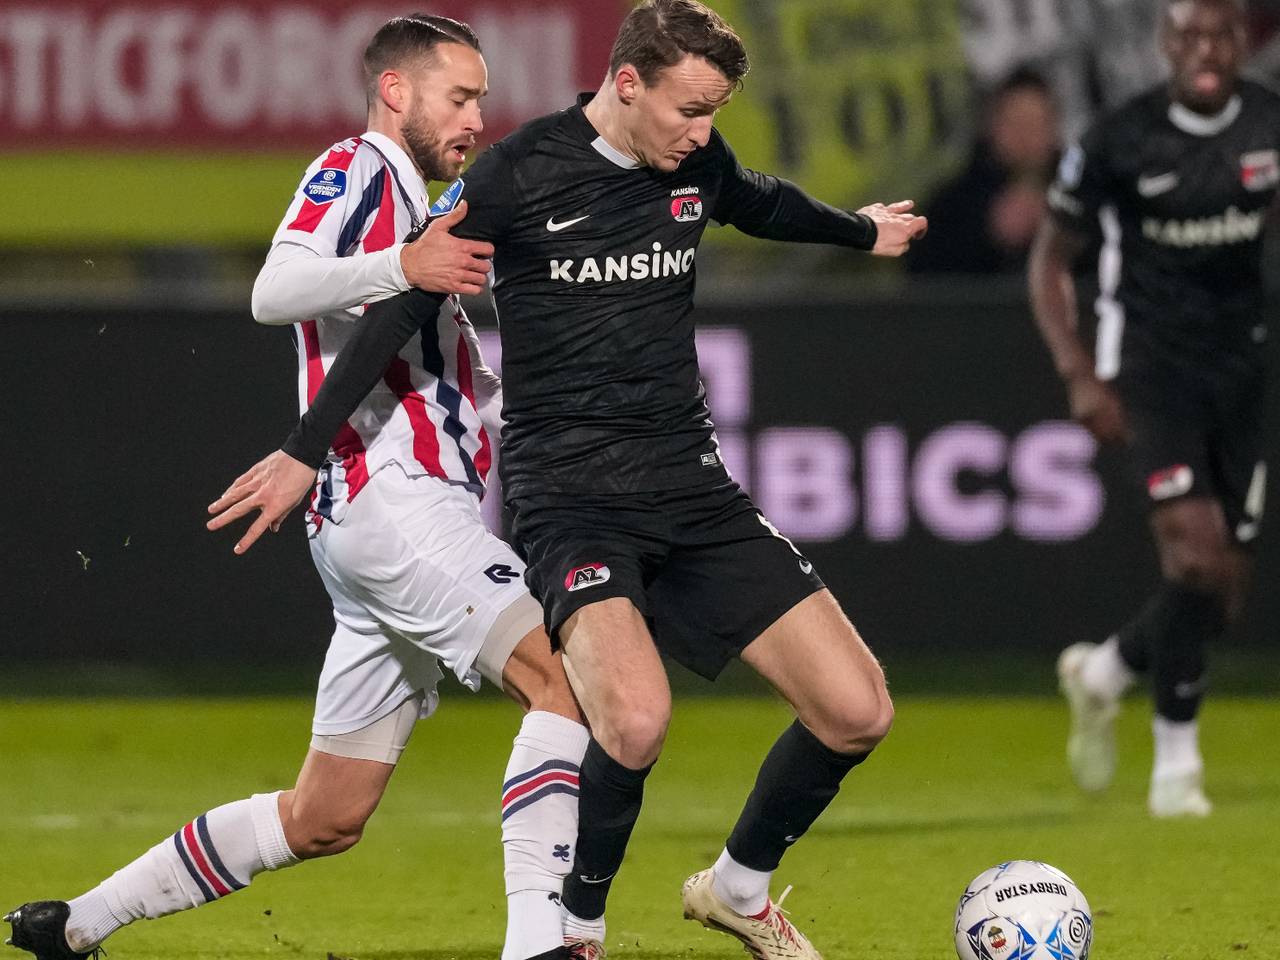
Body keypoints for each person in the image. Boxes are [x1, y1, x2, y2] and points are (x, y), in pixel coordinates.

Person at [200, 1, 926, 956]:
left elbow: (761, 199)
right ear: (627, 84)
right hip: (572, 498)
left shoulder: (694, 161)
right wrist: (305, 448)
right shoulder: (517, 174)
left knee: (858, 709)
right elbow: (398, 306)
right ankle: (572, 925)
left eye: (714, 113)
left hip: (691, 486)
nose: (702, 133)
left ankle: (736, 891)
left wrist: (858, 232)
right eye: (689, 109)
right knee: (631, 720)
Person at [4, 16, 589, 960]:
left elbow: (428, 358)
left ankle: (78, 924)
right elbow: (273, 290)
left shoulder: (412, 198)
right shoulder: (359, 166)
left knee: (325, 815)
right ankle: (539, 946)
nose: (477, 118)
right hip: (395, 501)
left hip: (376, 523)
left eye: (480, 98)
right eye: (461, 96)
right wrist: (403, 263)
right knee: (567, 681)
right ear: (396, 91)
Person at [1029, 0, 1275, 818]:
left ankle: (1104, 673)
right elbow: (1048, 263)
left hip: (1244, 370)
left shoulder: (1270, 125)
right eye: (1189, 37)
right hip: (1153, 370)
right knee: (1196, 561)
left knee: (1223, 589)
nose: (1205, 51)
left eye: (1221, 36)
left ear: (1243, 45)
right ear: (1166, 47)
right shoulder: (1119, 138)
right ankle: (1177, 770)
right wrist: (1079, 374)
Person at [907, 67, 1060, 275]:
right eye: (1015, 124)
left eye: (1035, 125)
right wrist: (987, 231)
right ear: (992, 126)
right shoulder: (953, 204)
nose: (1025, 138)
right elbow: (926, 278)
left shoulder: (1084, 195)